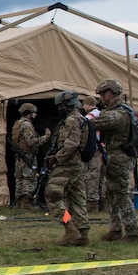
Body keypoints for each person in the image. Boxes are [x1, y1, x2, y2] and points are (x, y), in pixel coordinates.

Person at [93, 79, 138, 241]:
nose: (100, 98)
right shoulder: (121, 111)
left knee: (121, 194)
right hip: (113, 157)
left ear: (109, 93)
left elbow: (100, 122)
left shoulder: (119, 113)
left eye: (101, 94)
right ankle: (115, 228)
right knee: (110, 193)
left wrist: (84, 119)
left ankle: (132, 230)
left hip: (119, 157)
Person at [45, 91, 92, 246]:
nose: (59, 109)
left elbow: (71, 144)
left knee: (52, 195)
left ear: (66, 105)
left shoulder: (72, 120)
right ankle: (83, 234)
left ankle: (69, 227)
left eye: (60, 106)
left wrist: (56, 158)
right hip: (78, 165)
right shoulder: (81, 119)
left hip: (68, 165)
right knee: (77, 199)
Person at [9, 103, 49, 208]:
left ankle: (19, 202)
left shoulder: (17, 124)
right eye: (33, 113)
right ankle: (26, 203)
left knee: (19, 179)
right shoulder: (27, 125)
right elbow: (31, 142)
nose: (35, 115)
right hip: (27, 156)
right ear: (28, 114)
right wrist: (45, 137)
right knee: (29, 178)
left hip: (19, 156)